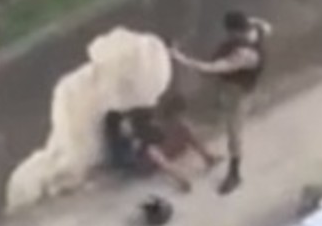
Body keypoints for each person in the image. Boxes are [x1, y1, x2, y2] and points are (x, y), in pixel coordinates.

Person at [170, 11, 272, 196]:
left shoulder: (244, 55)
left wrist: (179, 57)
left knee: (234, 134)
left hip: (238, 94)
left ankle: (235, 174)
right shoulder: (254, 30)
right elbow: (263, 25)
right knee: (225, 107)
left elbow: (211, 68)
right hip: (230, 88)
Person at [102, 93, 217, 193]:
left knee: (182, 129)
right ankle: (180, 178)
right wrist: (135, 146)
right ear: (116, 130)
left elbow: (154, 112)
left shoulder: (135, 118)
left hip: (161, 150)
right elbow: (124, 162)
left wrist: (159, 121)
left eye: (126, 123)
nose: (126, 127)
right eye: (122, 127)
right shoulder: (118, 144)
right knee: (151, 150)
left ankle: (207, 157)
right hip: (145, 164)